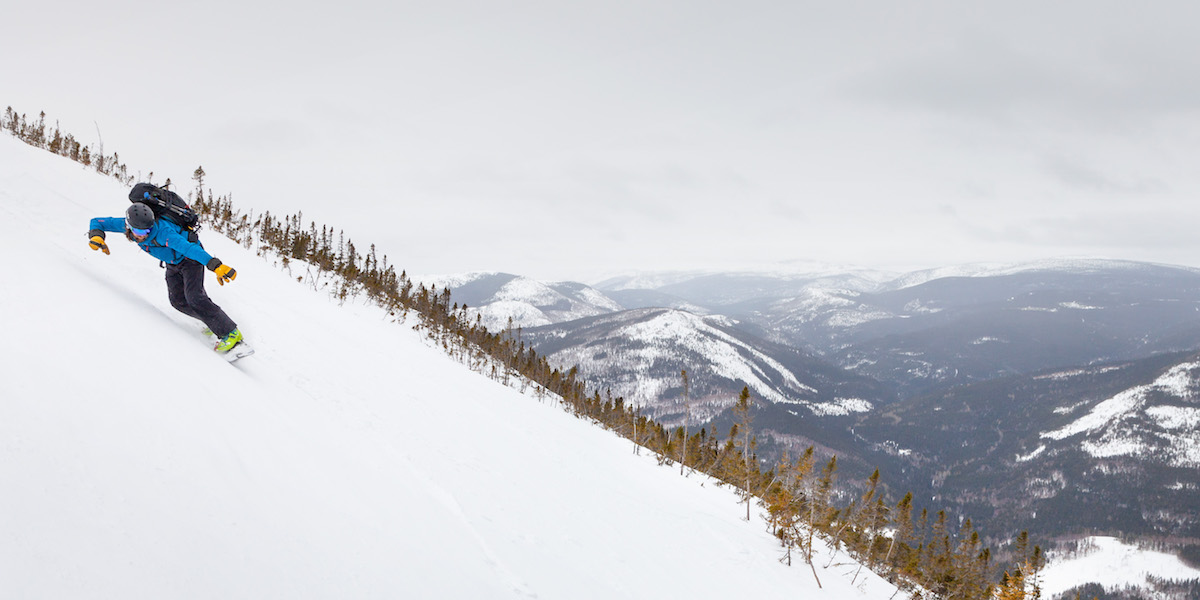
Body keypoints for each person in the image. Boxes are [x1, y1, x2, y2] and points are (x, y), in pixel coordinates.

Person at [88, 202, 246, 353]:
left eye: (147, 231)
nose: (144, 235)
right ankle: (212, 322)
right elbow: (98, 222)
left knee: (195, 297)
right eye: (140, 232)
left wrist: (215, 265)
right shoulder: (126, 225)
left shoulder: (163, 233)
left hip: (190, 260)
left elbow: (188, 248)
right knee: (177, 301)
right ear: (129, 226)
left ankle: (231, 334)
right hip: (172, 263)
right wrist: (96, 236)